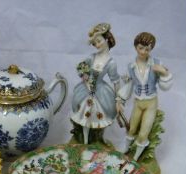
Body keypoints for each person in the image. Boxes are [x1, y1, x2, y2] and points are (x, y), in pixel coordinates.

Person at [118, 32, 173, 160]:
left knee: (143, 133)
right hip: (138, 102)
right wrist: (120, 100)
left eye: (147, 49)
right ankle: (126, 148)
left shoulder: (156, 64)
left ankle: (136, 157)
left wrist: (164, 73)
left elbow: (165, 87)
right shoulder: (131, 66)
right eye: (140, 48)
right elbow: (129, 85)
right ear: (135, 46)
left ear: (151, 49)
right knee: (131, 129)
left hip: (150, 103)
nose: (143, 52)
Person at [71, 23, 122, 145]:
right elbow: (81, 66)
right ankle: (85, 141)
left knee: (99, 116)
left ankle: (97, 139)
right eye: (94, 43)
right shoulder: (91, 57)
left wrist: (118, 99)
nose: (97, 45)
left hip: (100, 91)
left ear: (107, 39)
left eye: (99, 41)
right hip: (86, 89)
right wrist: (84, 75)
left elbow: (115, 81)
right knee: (84, 116)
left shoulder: (111, 62)